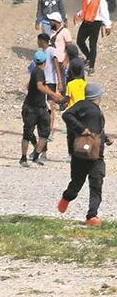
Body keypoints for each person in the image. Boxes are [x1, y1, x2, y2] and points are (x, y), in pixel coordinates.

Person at [58, 83, 111, 226]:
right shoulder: (85, 105)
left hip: (96, 155)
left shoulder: (96, 110)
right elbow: (66, 115)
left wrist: (105, 139)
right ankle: (67, 198)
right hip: (82, 152)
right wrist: (82, 129)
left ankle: (91, 216)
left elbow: (97, 129)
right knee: (82, 184)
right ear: (96, 96)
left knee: (95, 183)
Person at [21, 50, 65, 169]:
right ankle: (29, 156)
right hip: (34, 108)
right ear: (45, 61)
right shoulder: (39, 72)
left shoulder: (36, 71)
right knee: (36, 133)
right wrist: (55, 95)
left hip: (36, 107)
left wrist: (52, 94)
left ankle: (32, 156)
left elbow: (40, 86)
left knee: (37, 133)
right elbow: (40, 86)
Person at [74, 0, 111, 73]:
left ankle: (91, 66)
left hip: (95, 23)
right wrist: (79, 13)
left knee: (92, 44)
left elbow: (104, 11)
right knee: (79, 41)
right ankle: (89, 57)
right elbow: (86, 8)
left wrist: (108, 25)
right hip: (86, 21)